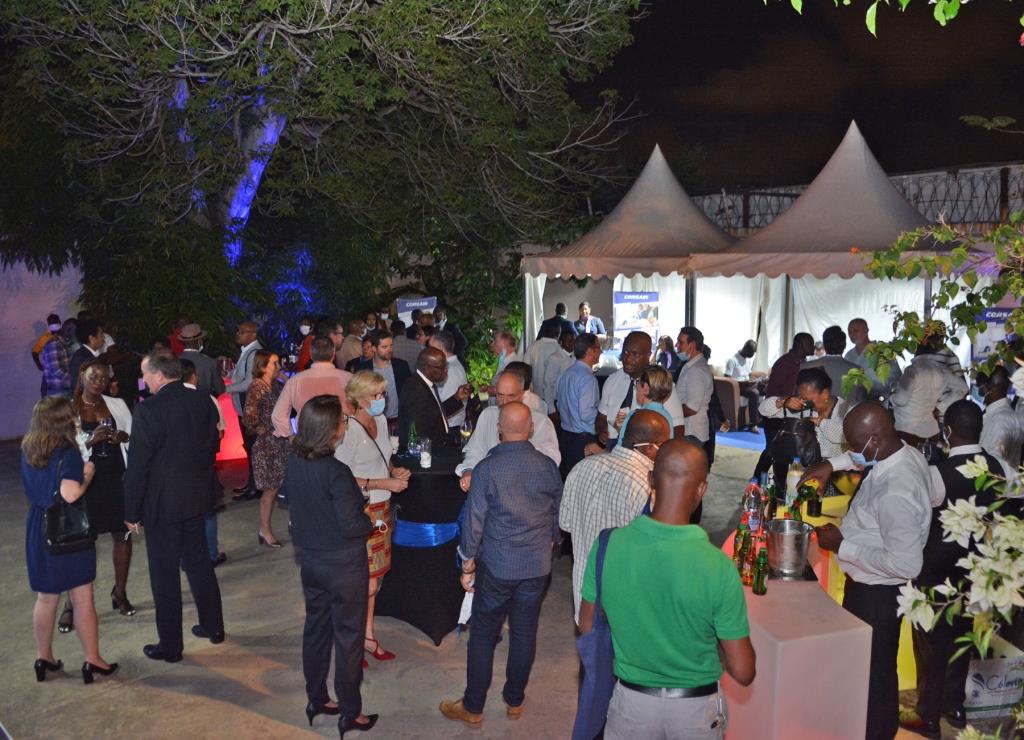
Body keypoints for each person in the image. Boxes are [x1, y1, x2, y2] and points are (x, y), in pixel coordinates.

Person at [579, 439, 755, 740]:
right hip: (695, 711)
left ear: (651, 480)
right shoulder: (718, 566)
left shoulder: (608, 545)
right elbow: (743, 670)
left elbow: (587, 624)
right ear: (702, 489)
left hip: (631, 705)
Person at [799, 402, 933, 740]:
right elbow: (861, 456)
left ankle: (875, 732)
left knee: (875, 676)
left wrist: (842, 545)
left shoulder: (897, 491)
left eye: (856, 446)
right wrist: (831, 464)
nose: (854, 454)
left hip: (878, 596)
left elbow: (907, 563)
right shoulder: (901, 451)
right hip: (869, 587)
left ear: (876, 439)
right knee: (866, 670)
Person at [440, 402, 563, 728]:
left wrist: (467, 564)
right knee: (524, 633)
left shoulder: (487, 469)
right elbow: (557, 513)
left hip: (497, 567)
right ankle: (514, 700)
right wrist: (551, 542)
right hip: (537, 567)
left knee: (483, 635)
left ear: (498, 430)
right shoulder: (547, 467)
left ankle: (473, 706)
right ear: (531, 429)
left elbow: (474, 523)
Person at [899, 401, 1006, 738]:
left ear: (947, 431)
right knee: (962, 636)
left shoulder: (938, 473)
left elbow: (920, 520)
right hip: (975, 567)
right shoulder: (998, 467)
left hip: (936, 569)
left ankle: (927, 715)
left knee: (930, 643)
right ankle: (954, 705)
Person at [285, 395, 378, 735]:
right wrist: (369, 521)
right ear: (330, 431)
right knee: (349, 638)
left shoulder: (294, 461)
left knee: (316, 630)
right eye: (341, 422)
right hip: (344, 565)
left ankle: (317, 698)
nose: (344, 426)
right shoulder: (337, 472)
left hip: (311, 561)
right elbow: (351, 525)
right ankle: (351, 713)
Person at [124, 349, 224, 663]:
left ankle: (171, 647)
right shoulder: (203, 400)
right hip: (196, 497)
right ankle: (214, 627)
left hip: (162, 505)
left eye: (145, 373)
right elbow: (212, 446)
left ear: (159, 375)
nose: (143, 379)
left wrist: (131, 510)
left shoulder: (148, 410)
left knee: (165, 576)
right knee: (200, 564)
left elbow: (138, 465)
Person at [21, 397, 118, 684]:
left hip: (39, 527)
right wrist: (88, 475)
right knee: (82, 599)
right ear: (64, 421)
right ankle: (92, 660)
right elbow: (70, 494)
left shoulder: (28, 449)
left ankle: (43, 657)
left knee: (46, 598)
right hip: (68, 529)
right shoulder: (68, 453)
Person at [559, 410, 669, 621]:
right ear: (649, 447)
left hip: (584, 598)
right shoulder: (648, 486)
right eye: (663, 445)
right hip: (626, 604)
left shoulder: (581, 468)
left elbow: (566, 524)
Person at [334, 371, 412, 664]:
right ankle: (353, 640)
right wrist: (382, 483)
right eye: (375, 395)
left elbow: (384, 456)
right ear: (358, 398)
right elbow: (340, 478)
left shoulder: (379, 420)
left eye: (383, 394)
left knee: (375, 580)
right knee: (362, 582)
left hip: (382, 510)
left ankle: (366, 637)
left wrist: (393, 470)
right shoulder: (348, 429)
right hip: (362, 511)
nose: (381, 400)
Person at [55, 359, 136, 637]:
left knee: (122, 536)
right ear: (82, 375)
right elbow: (63, 449)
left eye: (103, 377)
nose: (99, 381)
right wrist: (91, 441)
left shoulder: (117, 405)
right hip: (85, 481)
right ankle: (70, 604)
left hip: (116, 479)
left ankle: (120, 593)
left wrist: (121, 437)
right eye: (93, 376)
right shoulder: (69, 409)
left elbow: (132, 436)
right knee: (81, 542)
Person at [457, 371, 561, 491]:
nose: (505, 401)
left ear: (522, 395)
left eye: (511, 396)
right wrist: (468, 470)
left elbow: (553, 459)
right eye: (500, 395)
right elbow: (475, 450)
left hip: (526, 490)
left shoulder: (540, 421)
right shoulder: (488, 415)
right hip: (491, 488)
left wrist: (521, 447)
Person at [599, 331, 684, 449]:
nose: (628, 358)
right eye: (626, 352)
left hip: (645, 452)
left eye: (635, 354)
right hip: (612, 446)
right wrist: (602, 432)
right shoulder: (612, 380)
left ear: (648, 355)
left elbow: (678, 428)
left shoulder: (659, 384)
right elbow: (601, 417)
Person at [753, 332, 815, 491]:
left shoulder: (802, 362)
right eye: (810, 343)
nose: (813, 346)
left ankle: (759, 482)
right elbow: (773, 393)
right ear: (800, 344)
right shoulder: (785, 363)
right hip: (776, 414)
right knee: (776, 453)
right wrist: (787, 402)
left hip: (790, 414)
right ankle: (775, 488)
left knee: (775, 451)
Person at [182, 358, 227, 568]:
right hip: (205, 466)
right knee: (208, 512)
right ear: (195, 376)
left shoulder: (165, 403)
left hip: (178, 470)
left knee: (184, 515)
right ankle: (211, 555)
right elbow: (220, 431)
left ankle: (187, 558)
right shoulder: (208, 399)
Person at [243, 350, 289, 548]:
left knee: (279, 487)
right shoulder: (257, 387)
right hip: (266, 445)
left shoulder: (277, 385)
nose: (278, 367)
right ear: (262, 366)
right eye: (274, 363)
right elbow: (248, 417)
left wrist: (284, 379)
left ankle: (272, 528)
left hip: (281, 442)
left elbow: (291, 400)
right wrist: (261, 428)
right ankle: (265, 530)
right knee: (270, 490)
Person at [759, 367, 851, 462]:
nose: (802, 401)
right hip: (804, 466)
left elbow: (846, 435)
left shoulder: (847, 409)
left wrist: (818, 422)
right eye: (800, 397)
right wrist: (783, 402)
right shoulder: (803, 407)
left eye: (806, 398)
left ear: (825, 394)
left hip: (838, 467)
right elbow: (763, 409)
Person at [272, 336, 354, 438]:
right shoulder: (348, 379)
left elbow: (278, 415)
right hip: (342, 435)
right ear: (333, 354)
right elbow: (361, 409)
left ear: (310, 354)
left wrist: (290, 435)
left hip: (307, 435)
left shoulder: (295, 381)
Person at [892, 342, 966, 451]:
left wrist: (891, 398)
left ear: (916, 352)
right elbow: (963, 388)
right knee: (932, 456)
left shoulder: (912, 370)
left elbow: (901, 400)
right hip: (932, 427)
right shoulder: (941, 370)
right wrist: (941, 407)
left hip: (909, 429)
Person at [398, 347, 471, 451]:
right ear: (427, 368)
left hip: (439, 447)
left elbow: (434, 414)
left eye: (446, 365)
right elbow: (418, 432)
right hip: (429, 452)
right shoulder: (415, 389)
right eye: (442, 367)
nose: (446, 370)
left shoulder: (427, 383)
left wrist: (456, 397)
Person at [554, 333, 602, 477]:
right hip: (583, 440)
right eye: (598, 347)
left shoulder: (565, 374)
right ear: (590, 351)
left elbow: (558, 403)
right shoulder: (587, 378)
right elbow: (587, 414)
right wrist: (604, 421)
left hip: (566, 437)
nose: (601, 351)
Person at [226, 321, 263, 501]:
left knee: (253, 448)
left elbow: (250, 383)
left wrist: (227, 388)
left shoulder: (254, 353)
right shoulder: (247, 352)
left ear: (253, 334)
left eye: (242, 331)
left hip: (250, 407)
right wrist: (229, 376)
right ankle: (252, 484)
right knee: (249, 447)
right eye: (238, 331)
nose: (238, 334)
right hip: (246, 407)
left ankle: (256, 486)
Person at [801, 325, 867, 404]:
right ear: (844, 345)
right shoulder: (857, 371)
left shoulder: (806, 367)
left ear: (824, 345)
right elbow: (861, 401)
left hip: (815, 411)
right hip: (849, 411)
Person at [977, 366, 1024, 473]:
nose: (979, 389)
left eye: (981, 385)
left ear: (991, 388)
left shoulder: (1001, 420)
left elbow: (993, 464)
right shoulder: (994, 414)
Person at [845, 318, 903, 401]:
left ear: (866, 331)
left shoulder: (882, 351)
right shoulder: (848, 356)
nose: (852, 334)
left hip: (883, 401)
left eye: (855, 331)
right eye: (849, 331)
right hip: (857, 403)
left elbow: (897, 378)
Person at [674, 326, 714, 446]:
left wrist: (669, 413)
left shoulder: (696, 370)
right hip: (688, 431)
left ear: (692, 345)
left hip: (691, 432)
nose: (676, 345)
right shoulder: (691, 366)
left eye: (681, 342)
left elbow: (692, 408)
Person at [429, 330, 469, 429]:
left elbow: (447, 405)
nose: (428, 352)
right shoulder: (452, 365)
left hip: (450, 426)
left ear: (440, 348)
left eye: (431, 348)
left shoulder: (450, 370)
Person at [724, 339, 766, 431]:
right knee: (755, 393)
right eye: (752, 352)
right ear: (745, 349)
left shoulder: (747, 360)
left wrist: (753, 380)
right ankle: (753, 424)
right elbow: (727, 378)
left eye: (754, 352)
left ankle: (762, 418)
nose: (752, 354)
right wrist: (744, 383)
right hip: (738, 387)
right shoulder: (732, 360)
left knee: (765, 389)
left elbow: (748, 374)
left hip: (747, 384)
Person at [179, 323, 225, 397]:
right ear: (199, 341)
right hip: (204, 402)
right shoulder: (210, 362)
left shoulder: (174, 361)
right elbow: (220, 390)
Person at [68, 318, 105, 390]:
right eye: (101, 334)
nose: (103, 337)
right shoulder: (82, 358)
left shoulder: (91, 353)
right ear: (91, 338)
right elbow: (83, 386)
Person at [32, 314, 62, 397]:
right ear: (49, 325)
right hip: (49, 372)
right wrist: (38, 364)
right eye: (51, 323)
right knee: (45, 395)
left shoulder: (65, 334)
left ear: (60, 322)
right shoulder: (44, 338)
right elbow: (34, 352)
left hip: (63, 371)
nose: (54, 324)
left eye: (55, 322)